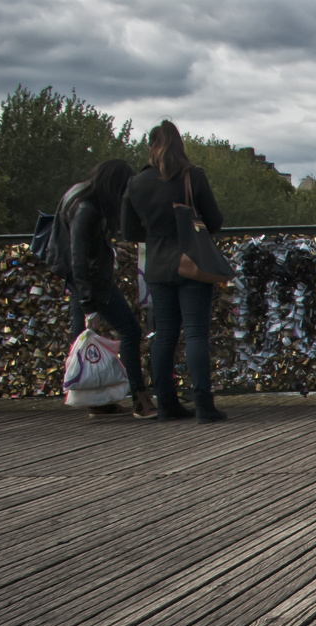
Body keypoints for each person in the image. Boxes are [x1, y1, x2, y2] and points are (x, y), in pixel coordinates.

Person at [122, 120, 226, 422]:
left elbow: (129, 230)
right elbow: (215, 220)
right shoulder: (192, 176)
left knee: (164, 334)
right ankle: (204, 405)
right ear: (180, 144)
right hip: (192, 262)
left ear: (151, 145)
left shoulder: (136, 182)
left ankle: (166, 403)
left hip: (157, 264)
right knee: (195, 333)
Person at [60, 159, 150, 418]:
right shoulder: (89, 209)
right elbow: (80, 257)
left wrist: (109, 249)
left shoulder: (82, 199)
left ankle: (96, 399)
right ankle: (139, 398)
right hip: (93, 284)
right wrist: (89, 305)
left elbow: (79, 250)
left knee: (83, 342)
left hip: (83, 283)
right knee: (129, 331)